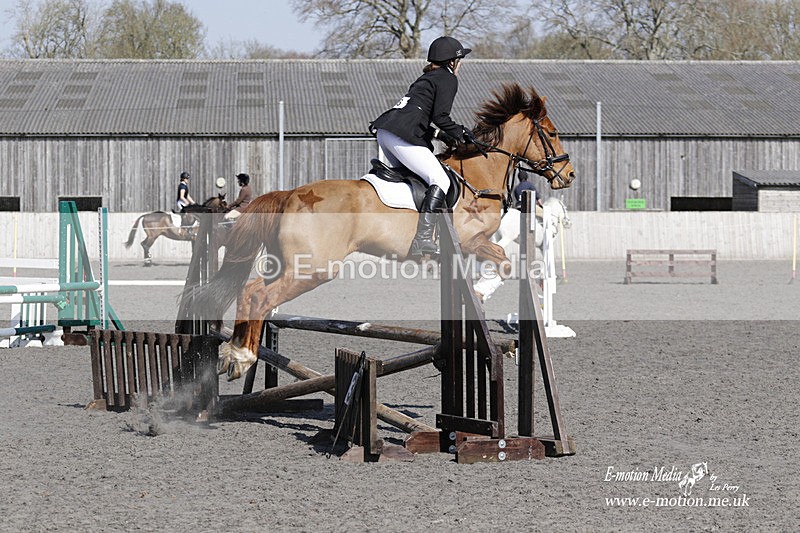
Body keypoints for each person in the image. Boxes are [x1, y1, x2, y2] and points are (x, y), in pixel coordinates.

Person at [370, 36, 476, 257]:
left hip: (387, 131)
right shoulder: (447, 78)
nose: (461, 64)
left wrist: (440, 135)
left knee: (417, 180)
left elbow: (420, 117)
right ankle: (423, 238)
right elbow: (440, 116)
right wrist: (462, 133)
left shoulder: (426, 78)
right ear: (452, 61)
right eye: (460, 59)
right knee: (441, 180)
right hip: (400, 135)